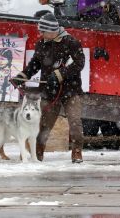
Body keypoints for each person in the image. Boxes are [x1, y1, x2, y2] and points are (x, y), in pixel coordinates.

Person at [13, 12, 85, 163]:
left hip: (71, 91)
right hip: (49, 93)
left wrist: (60, 74)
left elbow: (79, 64)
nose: (40, 34)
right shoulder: (41, 44)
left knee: (75, 123)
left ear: (52, 30)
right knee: (43, 125)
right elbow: (34, 65)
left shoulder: (71, 43)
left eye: (42, 31)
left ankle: (77, 151)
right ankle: (37, 152)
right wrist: (21, 77)